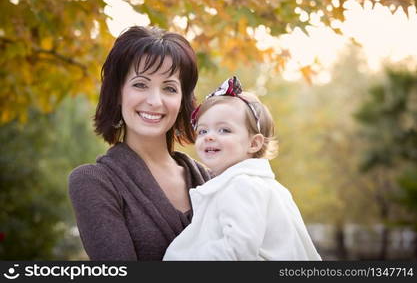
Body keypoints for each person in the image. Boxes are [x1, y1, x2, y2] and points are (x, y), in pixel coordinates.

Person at [68, 26, 211, 260]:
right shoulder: (93, 182)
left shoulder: (214, 181)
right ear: (117, 93)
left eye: (169, 88)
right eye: (140, 84)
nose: (155, 101)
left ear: (182, 101)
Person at [163, 76, 322, 260]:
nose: (209, 137)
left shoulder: (242, 186)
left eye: (224, 130)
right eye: (203, 131)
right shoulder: (260, 185)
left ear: (254, 144)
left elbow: (237, 251)